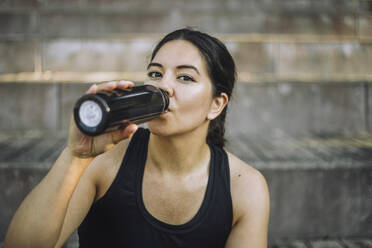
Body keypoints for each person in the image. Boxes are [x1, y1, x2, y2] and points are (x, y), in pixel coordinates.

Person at [4, 28, 270, 248]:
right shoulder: (106, 159)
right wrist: (75, 156)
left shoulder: (245, 187)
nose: (163, 86)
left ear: (216, 105)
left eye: (185, 77)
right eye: (155, 73)